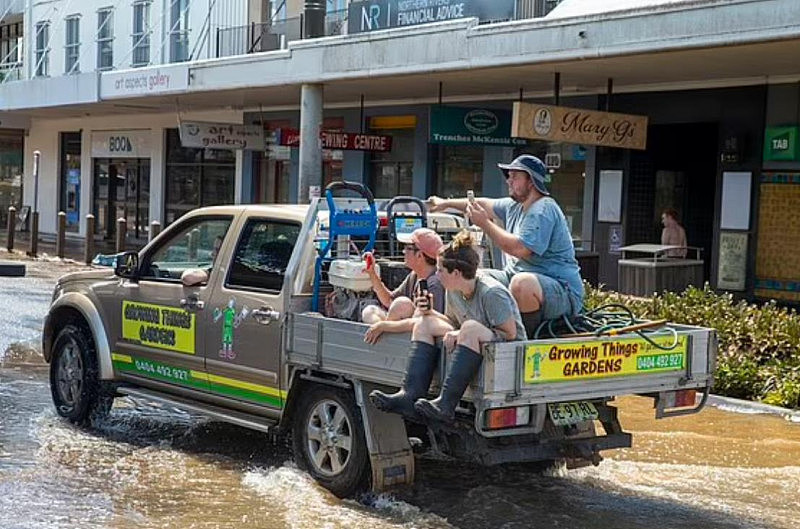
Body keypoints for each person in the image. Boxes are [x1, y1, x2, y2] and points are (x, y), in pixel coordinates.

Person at [369, 230, 525, 423]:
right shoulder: (454, 290)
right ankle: (409, 396)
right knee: (424, 323)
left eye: (441, 270)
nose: (437, 274)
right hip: (473, 338)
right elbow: (451, 323)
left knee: (469, 327)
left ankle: (446, 404)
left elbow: (509, 333)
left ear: (456, 273)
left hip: (507, 348)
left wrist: (462, 332)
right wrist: (428, 312)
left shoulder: (492, 293)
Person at [428, 154, 583, 338]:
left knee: (522, 284)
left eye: (514, 176)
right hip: (516, 277)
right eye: (508, 176)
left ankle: (523, 342)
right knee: (469, 276)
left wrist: (485, 223)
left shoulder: (543, 209)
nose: (509, 181)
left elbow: (520, 249)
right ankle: (472, 330)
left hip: (562, 291)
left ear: (531, 181)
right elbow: (481, 204)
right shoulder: (515, 205)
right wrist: (445, 204)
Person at [362, 227, 445, 344]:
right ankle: (382, 337)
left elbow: (425, 322)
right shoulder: (414, 275)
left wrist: (384, 325)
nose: (403, 251)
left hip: (420, 337)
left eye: (407, 248)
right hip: (405, 329)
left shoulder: (435, 284)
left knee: (402, 305)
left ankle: (384, 341)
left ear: (420, 256)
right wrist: (372, 273)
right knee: (369, 311)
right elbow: (389, 300)